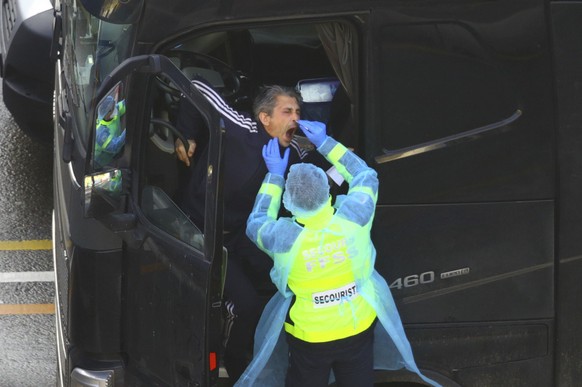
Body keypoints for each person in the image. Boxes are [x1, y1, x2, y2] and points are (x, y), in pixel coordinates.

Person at [238, 120, 440, 386]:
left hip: (310, 338)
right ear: (327, 193)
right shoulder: (354, 218)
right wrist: (325, 143)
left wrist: (274, 176)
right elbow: (365, 176)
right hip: (357, 330)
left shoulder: (283, 239)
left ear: (290, 202)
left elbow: (257, 221)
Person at [174, 79, 331, 383]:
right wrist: (187, 134)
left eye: (298, 111)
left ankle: (276, 349)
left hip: (240, 235)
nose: (296, 118)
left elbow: (324, 174)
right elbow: (195, 86)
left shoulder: (295, 151)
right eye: (288, 111)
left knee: (284, 277)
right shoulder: (241, 129)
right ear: (265, 118)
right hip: (197, 230)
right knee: (244, 305)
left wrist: (331, 148)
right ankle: (231, 360)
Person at [94, 95, 126, 169]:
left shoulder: (113, 111)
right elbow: (115, 146)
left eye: (114, 104)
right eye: (112, 108)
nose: (116, 108)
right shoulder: (101, 133)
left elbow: (125, 104)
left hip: (114, 152)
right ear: (106, 114)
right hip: (102, 162)